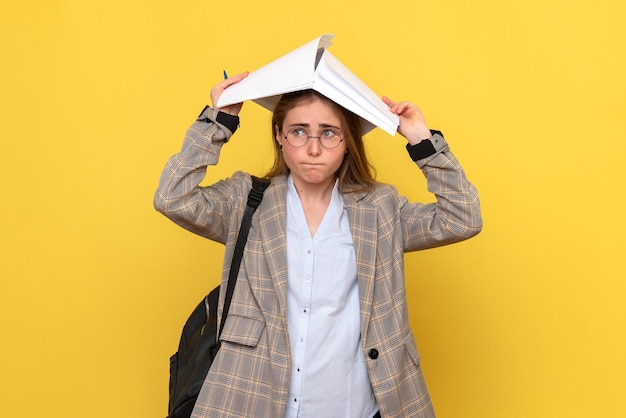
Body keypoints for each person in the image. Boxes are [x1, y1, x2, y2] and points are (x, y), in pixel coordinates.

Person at [155, 71, 482, 418]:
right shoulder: (245, 201)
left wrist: (422, 141)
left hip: (354, 405)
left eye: (329, 133)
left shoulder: (380, 209)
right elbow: (171, 197)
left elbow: (463, 217)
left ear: (347, 141)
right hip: (253, 399)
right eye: (298, 132)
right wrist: (219, 120)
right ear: (279, 136)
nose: (313, 148)